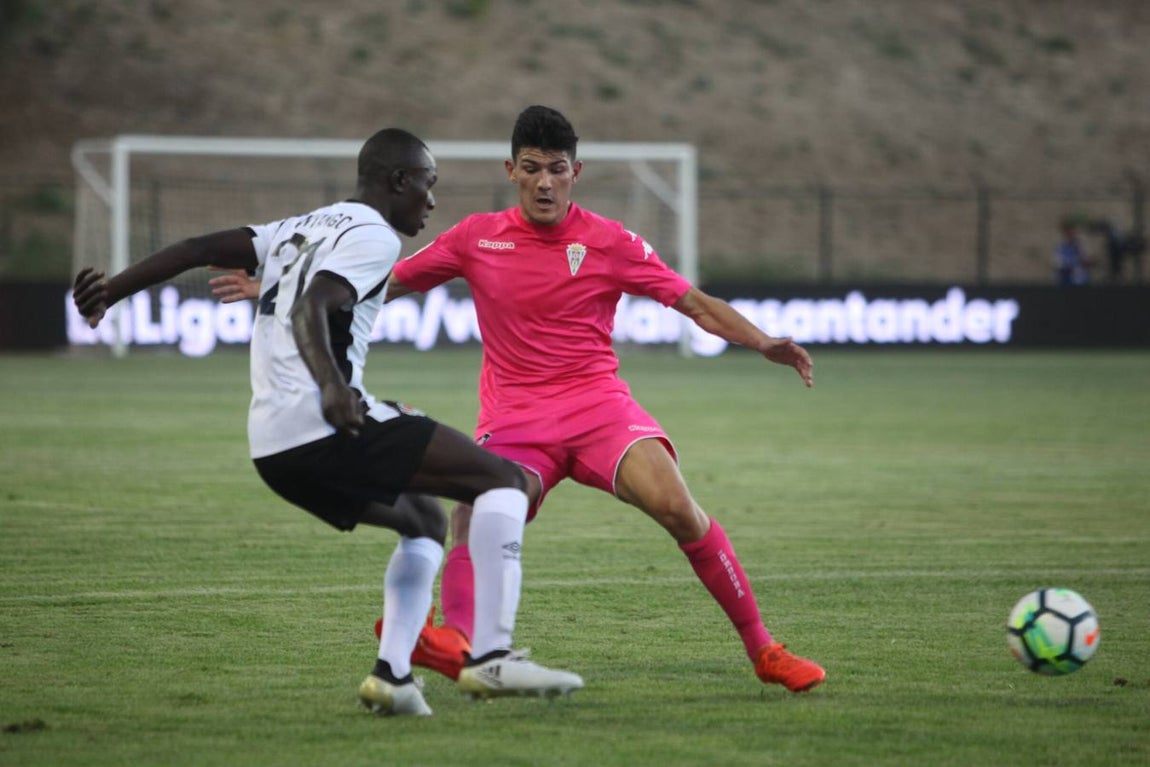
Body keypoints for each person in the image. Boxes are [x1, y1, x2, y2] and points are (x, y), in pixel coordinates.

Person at [214, 107, 826, 694]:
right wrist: (276, 282)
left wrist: (764, 341)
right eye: (531, 167)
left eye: (557, 168)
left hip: (599, 409)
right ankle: (458, 645)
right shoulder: (475, 238)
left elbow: (693, 302)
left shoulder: (611, 242)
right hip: (515, 420)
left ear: (575, 174)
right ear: (511, 172)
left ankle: (765, 650)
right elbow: (383, 283)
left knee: (679, 508)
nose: (544, 181)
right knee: (473, 514)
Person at [72, 127, 583, 717]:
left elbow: (190, 249)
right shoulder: (372, 235)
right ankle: (491, 657)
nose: (432, 201)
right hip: (324, 427)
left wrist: (112, 292)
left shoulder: (294, 228)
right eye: (428, 184)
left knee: (422, 519)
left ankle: (392, 678)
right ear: (399, 181)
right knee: (506, 482)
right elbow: (312, 304)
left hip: (271, 447)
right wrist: (333, 387)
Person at [1054, 218, 1090, 286]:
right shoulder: (1061, 247)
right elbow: (1060, 264)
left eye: (1074, 232)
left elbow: (1085, 261)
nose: (1073, 234)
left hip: (1081, 281)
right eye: (1070, 232)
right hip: (1067, 281)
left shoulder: (1079, 246)